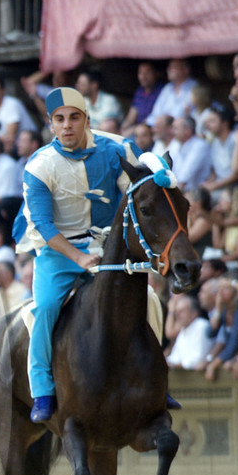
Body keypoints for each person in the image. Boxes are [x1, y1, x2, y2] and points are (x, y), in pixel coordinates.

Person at [16, 86, 182, 423]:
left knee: (148, 298)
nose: (67, 126)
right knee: (45, 307)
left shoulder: (115, 149)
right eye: (59, 120)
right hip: (58, 253)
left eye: (74, 118)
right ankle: (43, 390)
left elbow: (138, 194)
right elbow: (45, 228)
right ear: (50, 125)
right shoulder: (39, 166)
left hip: (107, 246)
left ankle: (155, 381)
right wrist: (77, 258)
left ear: (86, 120)